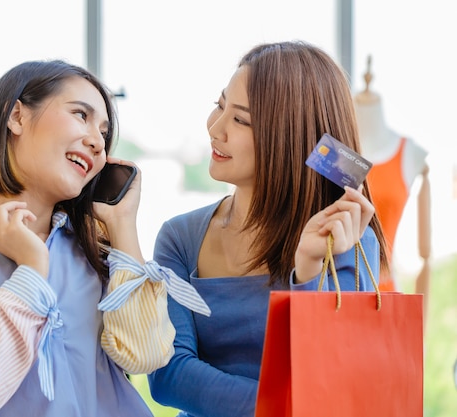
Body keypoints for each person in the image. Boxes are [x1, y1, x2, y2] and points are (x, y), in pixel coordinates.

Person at [0, 60, 209, 417]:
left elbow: (145, 355)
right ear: (16, 116)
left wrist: (123, 224)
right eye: (81, 115)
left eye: (104, 133)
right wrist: (32, 270)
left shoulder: (95, 250)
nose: (97, 142)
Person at [147, 41, 389, 417]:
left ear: (289, 136)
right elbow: (168, 375)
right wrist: (285, 405)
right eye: (219, 105)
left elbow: (330, 375)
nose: (215, 128)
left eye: (240, 120)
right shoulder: (179, 238)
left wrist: (307, 274)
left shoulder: (347, 241)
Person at [353, 56, 432, 330]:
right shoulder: (332, 153)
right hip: (332, 291)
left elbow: (426, 254)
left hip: (384, 292)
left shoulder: (409, 154)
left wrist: (422, 328)